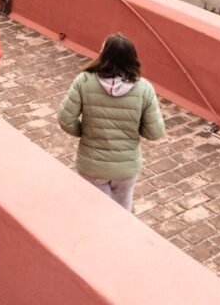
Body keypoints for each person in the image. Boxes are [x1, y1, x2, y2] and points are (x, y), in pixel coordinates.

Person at [57, 33, 165, 212]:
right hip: (126, 167)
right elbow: (155, 132)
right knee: (122, 214)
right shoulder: (144, 88)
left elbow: (65, 119)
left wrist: (84, 131)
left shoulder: (83, 81)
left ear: (104, 54)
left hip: (92, 165)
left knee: (95, 212)